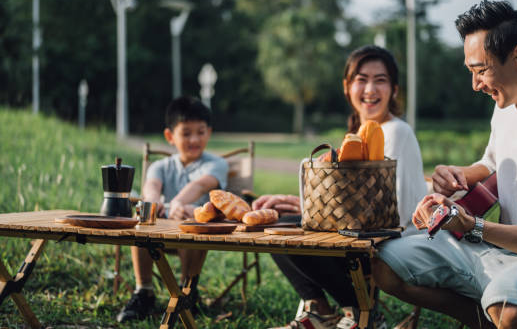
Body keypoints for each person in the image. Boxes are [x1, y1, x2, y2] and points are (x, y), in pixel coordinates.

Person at [372, 0, 517, 329]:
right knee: (385, 262)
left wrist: (474, 226)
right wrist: (459, 175)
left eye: (481, 70)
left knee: (514, 314)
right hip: (491, 249)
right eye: (471, 72)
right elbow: (492, 163)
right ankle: (483, 319)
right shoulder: (506, 107)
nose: (476, 85)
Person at [254, 45, 428, 329]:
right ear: (347, 87)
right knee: (277, 227)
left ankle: (364, 314)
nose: (370, 88)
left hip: (390, 237)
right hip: (357, 230)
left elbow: (387, 206)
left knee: (295, 233)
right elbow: (351, 199)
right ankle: (319, 310)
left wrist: (313, 212)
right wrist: (305, 206)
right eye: (361, 79)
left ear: (394, 90)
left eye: (380, 80)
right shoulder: (359, 134)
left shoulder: (396, 131)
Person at [117, 96, 228, 322]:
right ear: (170, 136)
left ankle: (187, 292)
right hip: (158, 236)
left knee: (190, 221)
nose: (194, 139)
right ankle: (144, 291)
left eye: (201, 131)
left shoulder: (216, 164)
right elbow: (151, 188)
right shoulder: (160, 166)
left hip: (195, 239)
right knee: (142, 219)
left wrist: (178, 204)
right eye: (186, 133)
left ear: (209, 132)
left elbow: (200, 185)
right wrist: (156, 204)